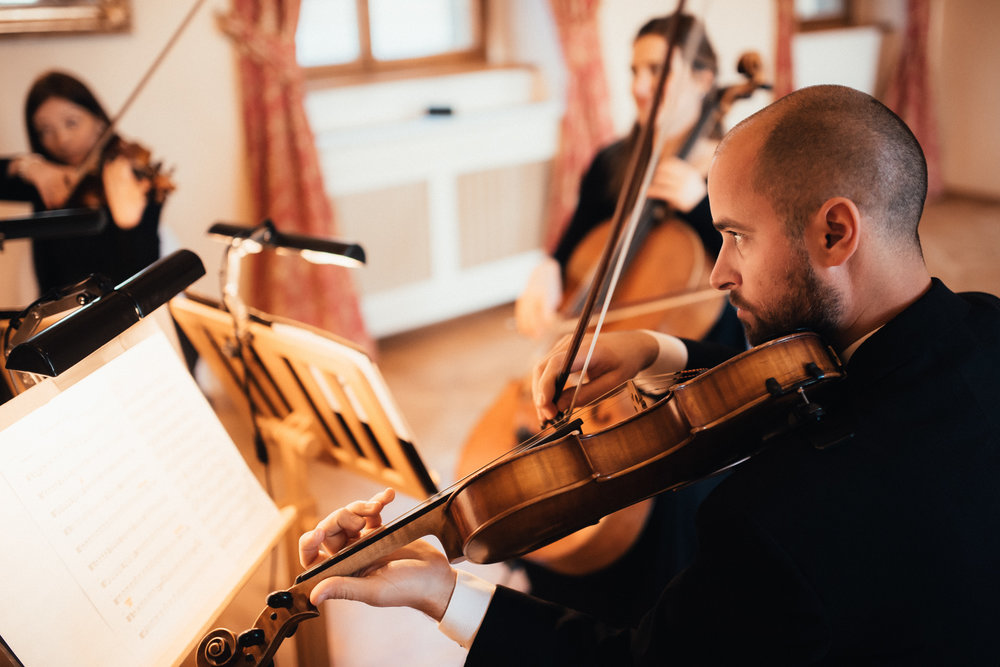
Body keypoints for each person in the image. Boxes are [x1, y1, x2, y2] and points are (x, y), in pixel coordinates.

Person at [298, 84, 1000, 664]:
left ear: (834, 232)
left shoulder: (773, 515)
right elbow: (834, 380)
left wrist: (443, 592)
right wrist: (661, 350)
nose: (720, 272)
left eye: (735, 237)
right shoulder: (984, 325)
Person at [457, 14, 745, 628]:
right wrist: (548, 268)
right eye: (634, 70)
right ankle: (548, 604)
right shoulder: (615, 160)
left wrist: (704, 207)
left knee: (664, 483)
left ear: (703, 80)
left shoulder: (732, 167)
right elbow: (572, 250)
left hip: (693, 361)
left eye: (656, 72)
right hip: (604, 351)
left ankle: (651, 624)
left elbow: (748, 267)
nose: (640, 84)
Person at [0, 70, 169, 295]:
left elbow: (148, 281)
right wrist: (28, 167)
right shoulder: (47, 182)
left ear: (99, 120)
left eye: (71, 123)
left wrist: (129, 225)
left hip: (123, 318)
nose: (61, 139)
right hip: (58, 321)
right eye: (45, 130)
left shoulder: (133, 175)